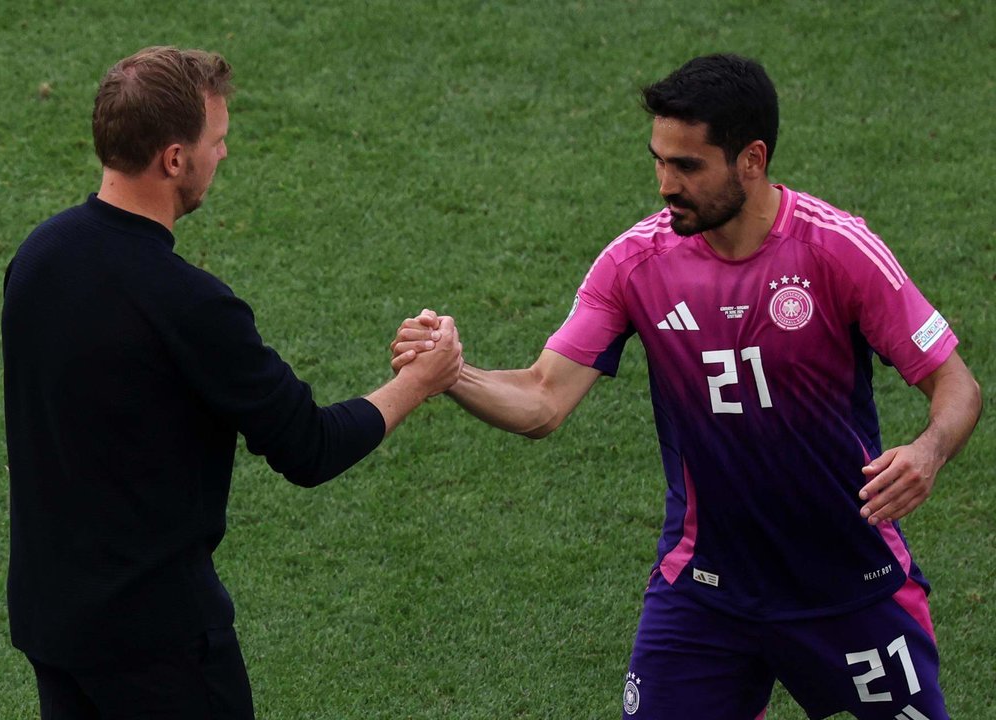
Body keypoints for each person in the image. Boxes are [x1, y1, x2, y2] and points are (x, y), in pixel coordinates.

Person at [391, 54, 981, 719]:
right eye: (659, 161)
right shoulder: (635, 263)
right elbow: (542, 400)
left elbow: (956, 386)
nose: (666, 184)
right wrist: (450, 374)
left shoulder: (837, 251)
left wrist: (929, 451)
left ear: (752, 160)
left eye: (688, 167)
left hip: (850, 586)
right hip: (705, 596)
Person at [1, 46, 462, 720]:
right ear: (175, 158)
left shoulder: (36, 258)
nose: (223, 156)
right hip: (159, 648)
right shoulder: (188, 305)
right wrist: (420, 381)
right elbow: (309, 448)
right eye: (216, 142)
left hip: (55, 628)